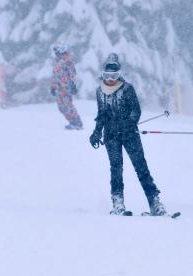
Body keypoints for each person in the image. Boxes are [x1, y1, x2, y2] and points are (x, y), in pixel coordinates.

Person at [89, 53, 166, 216]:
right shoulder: (99, 91)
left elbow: (136, 110)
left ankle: (154, 201)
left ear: (119, 74)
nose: (110, 79)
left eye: (114, 75)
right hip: (111, 136)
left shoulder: (127, 88)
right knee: (116, 168)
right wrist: (97, 131)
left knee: (141, 167)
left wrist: (129, 123)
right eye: (107, 75)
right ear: (103, 74)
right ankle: (118, 202)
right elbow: (101, 113)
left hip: (129, 134)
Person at [50, 42, 83, 130]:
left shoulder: (68, 62)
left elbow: (72, 75)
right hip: (58, 87)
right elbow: (54, 74)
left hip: (66, 87)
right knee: (61, 107)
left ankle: (77, 122)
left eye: (57, 50)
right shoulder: (55, 61)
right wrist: (52, 86)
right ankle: (72, 122)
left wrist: (73, 85)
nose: (56, 53)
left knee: (68, 105)